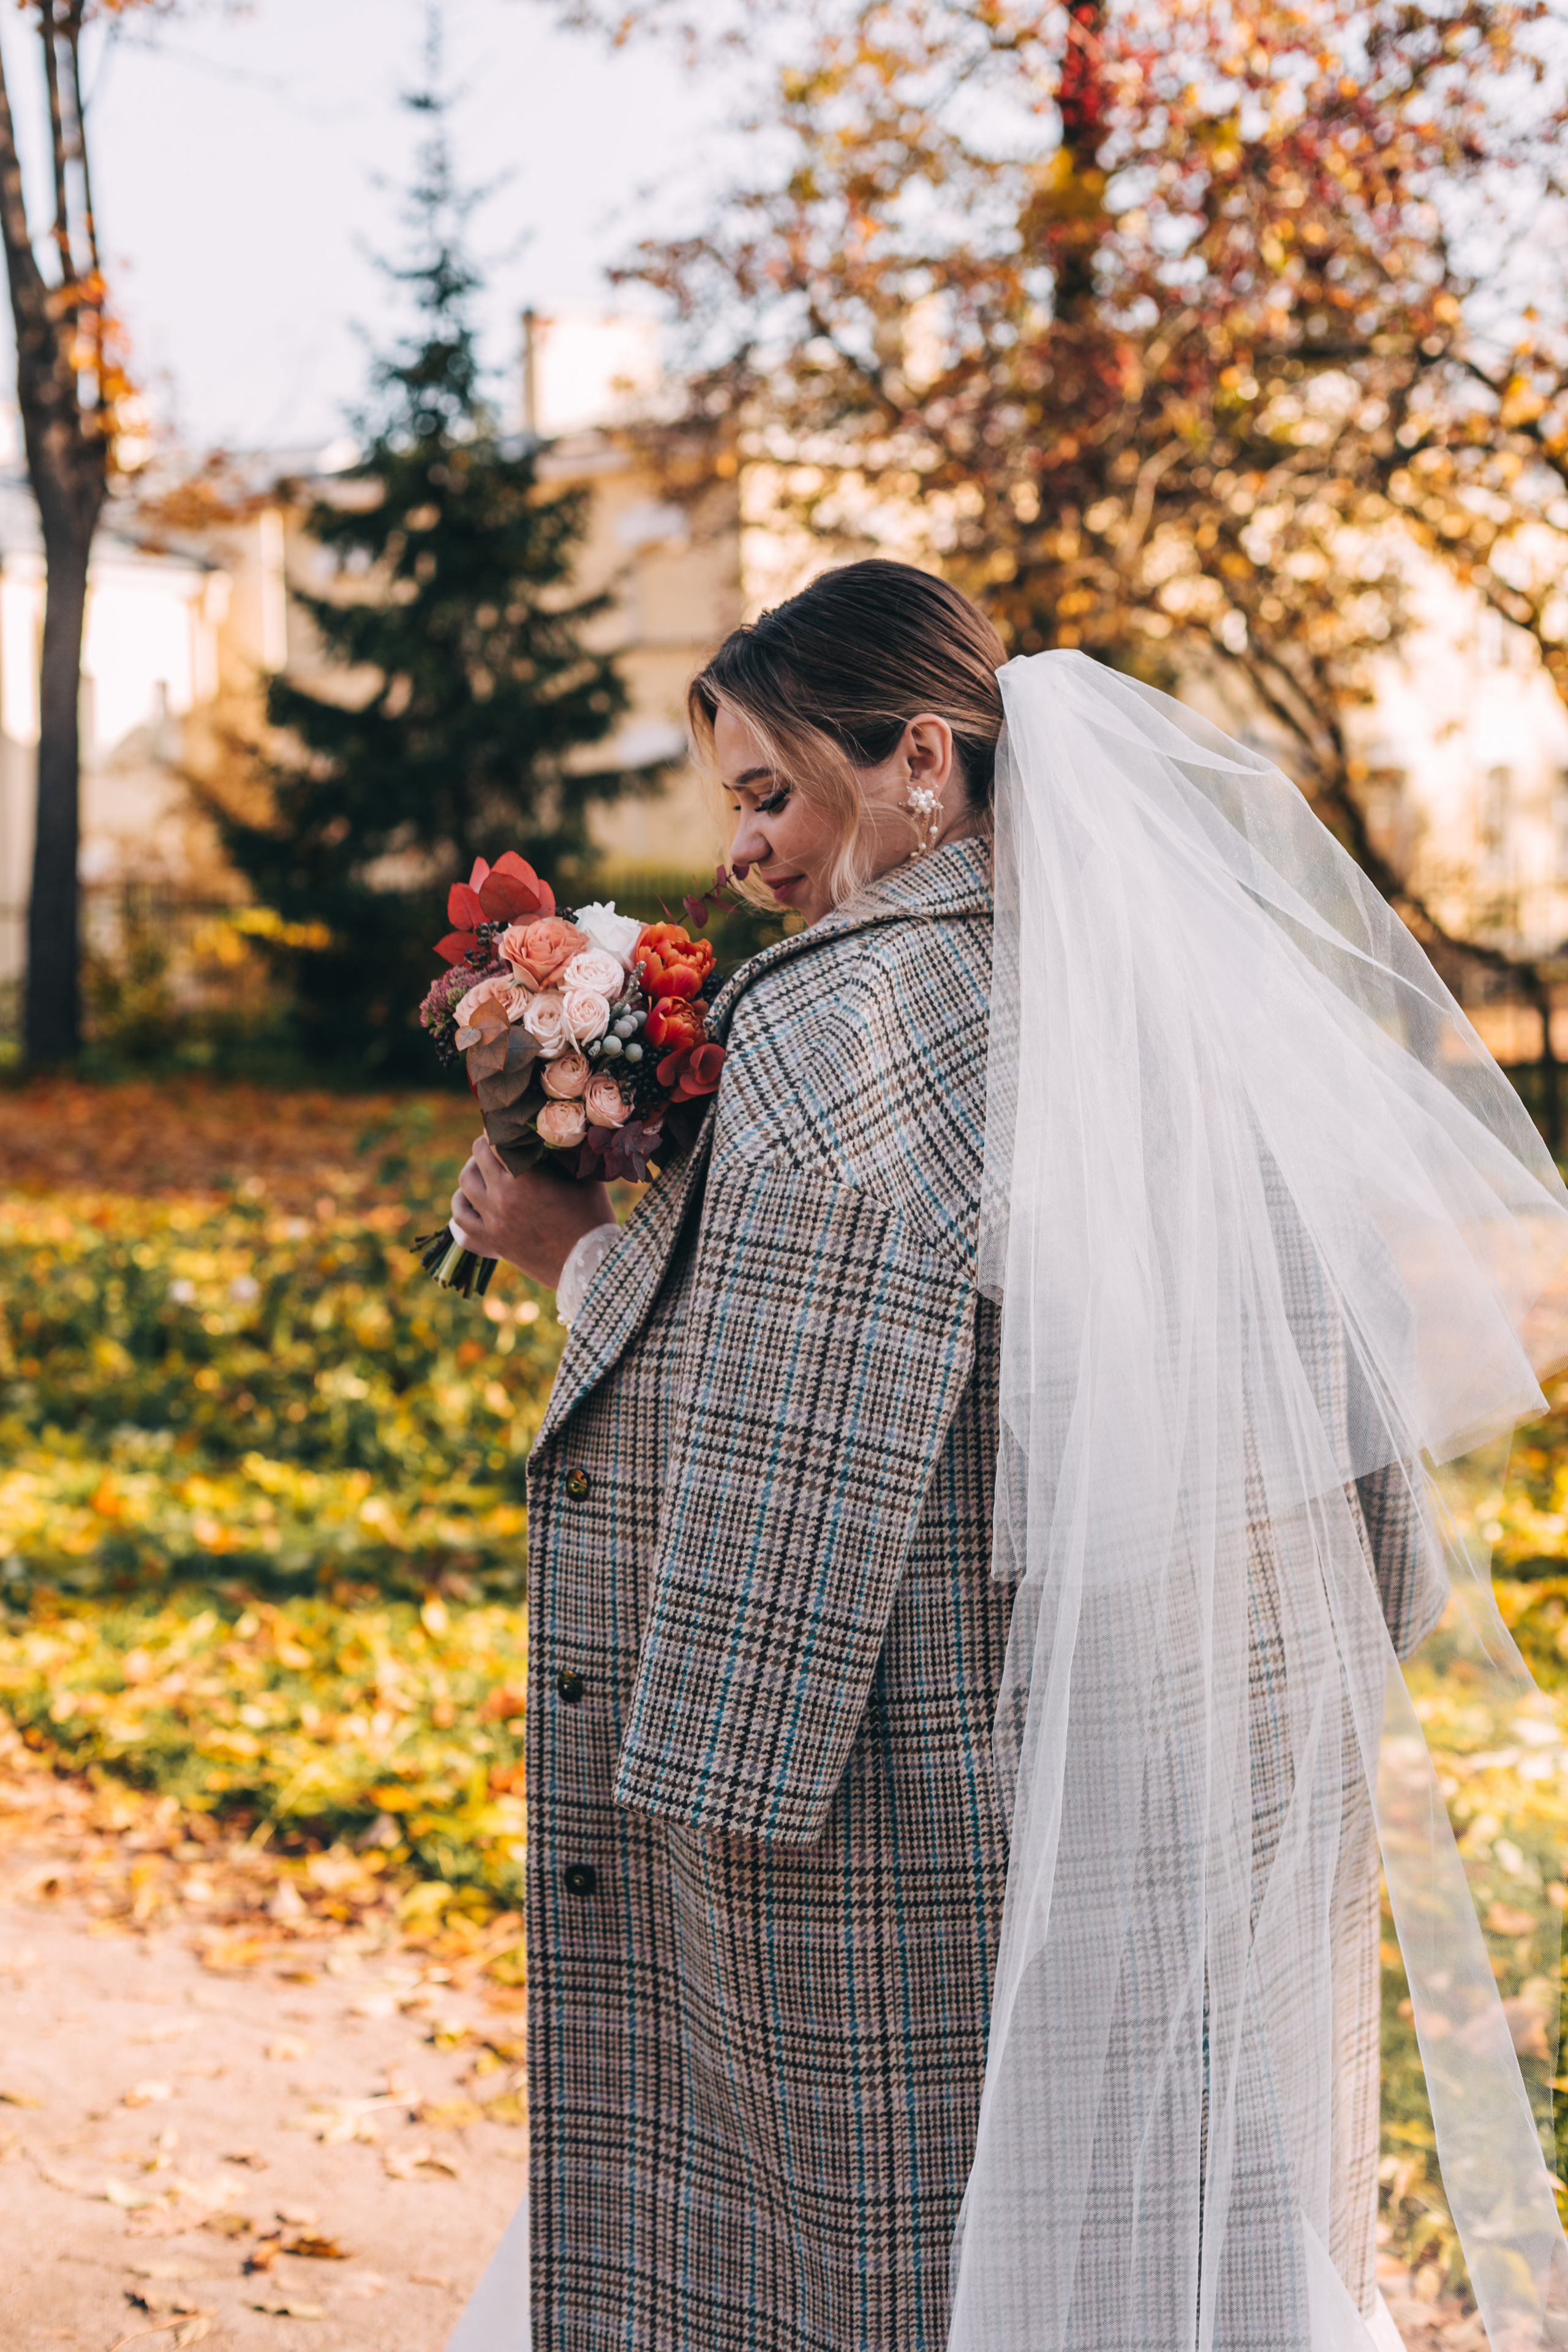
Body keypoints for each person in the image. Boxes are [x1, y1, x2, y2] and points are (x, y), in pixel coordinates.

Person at [447, 561, 1568, 2352]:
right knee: (1153, 2225)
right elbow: (1337, 1420)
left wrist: (573, 1257)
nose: (742, 856)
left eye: (767, 792)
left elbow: (765, 1468)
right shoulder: (1180, 1009)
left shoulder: (839, 1027)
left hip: (935, 1804)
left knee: (892, 2259)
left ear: (918, 761)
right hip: (1193, 1773)